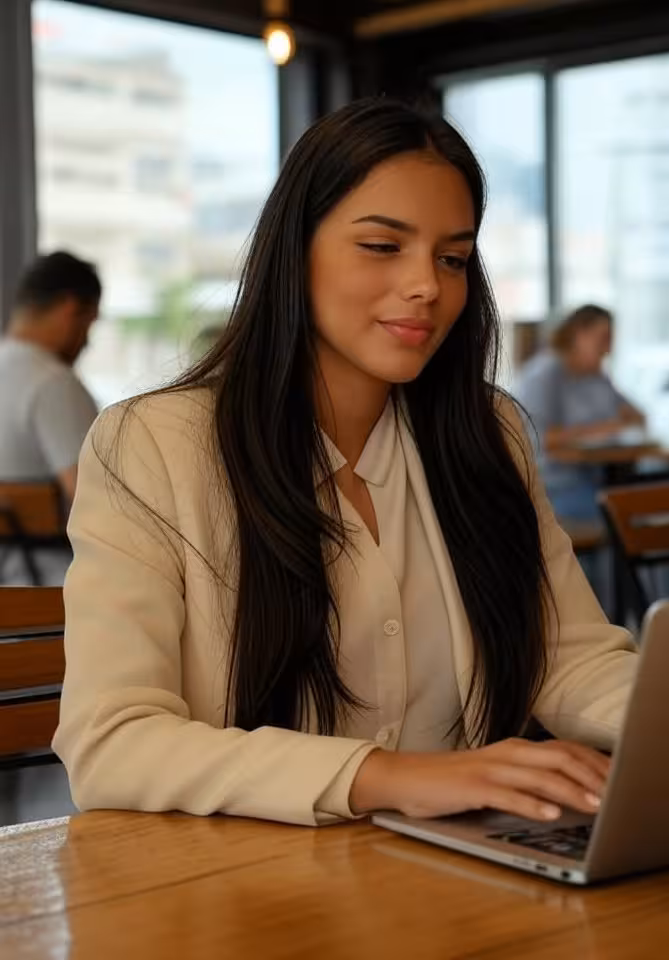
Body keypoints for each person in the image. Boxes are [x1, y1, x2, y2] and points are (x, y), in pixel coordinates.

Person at [54, 100, 637, 828]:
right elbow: (111, 741)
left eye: (453, 258)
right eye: (383, 246)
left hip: (461, 865)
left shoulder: (488, 435)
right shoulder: (152, 445)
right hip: (247, 880)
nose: (428, 285)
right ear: (294, 251)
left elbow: (570, 659)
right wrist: (390, 777)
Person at [0, 251, 100, 584]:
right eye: (90, 324)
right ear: (70, 310)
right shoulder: (53, 383)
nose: (87, 342)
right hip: (46, 586)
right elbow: (96, 501)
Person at [514, 305, 645, 522]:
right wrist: (606, 428)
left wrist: (620, 417)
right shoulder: (544, 373)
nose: (609, 349)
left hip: (594, 478)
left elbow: (638, 417)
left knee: (651, 500)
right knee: (626, 519)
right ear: (578, 334)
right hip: (552, 486)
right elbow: (538, 438)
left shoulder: (595, 376)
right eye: (603, 338)